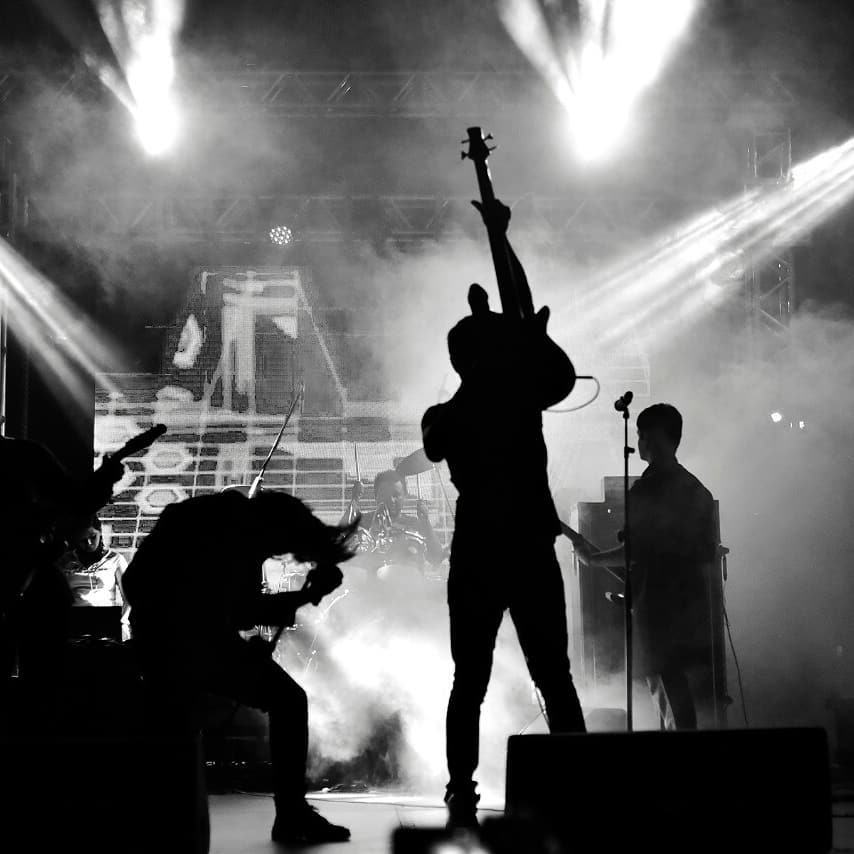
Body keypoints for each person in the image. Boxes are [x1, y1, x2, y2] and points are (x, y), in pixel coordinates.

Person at [421, 198, 586, 829]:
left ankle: (460, 790)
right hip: (522, 552)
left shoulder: (452, 415)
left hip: (480, 554)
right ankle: (574, 782)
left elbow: (521, 318)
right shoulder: (503, 401)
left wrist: (500, 243)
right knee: (551, 675)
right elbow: (524, 315)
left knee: (473, 680)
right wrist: (500, 240)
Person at [121, 488, 357, 845]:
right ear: (276, 527)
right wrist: (306, 595)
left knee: (176, 732)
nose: (275, 554)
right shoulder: (240, 535)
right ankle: (291, 813)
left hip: (167, 640)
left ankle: (162, 824)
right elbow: (240, 610)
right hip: (183, 643)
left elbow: (231, 607)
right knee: (288, 700)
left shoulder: (223, 521)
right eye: (282, 547)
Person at [570, 403, 718, 730]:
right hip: (690, 605)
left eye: (641, 434)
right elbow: (700, 550)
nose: (638, 441)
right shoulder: (696, 489)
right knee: (676, 689)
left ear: (656, 437)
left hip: (658, 607)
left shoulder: (649, 489)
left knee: (666, 689)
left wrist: (592, 559)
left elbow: (636, 550)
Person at [0, 435, 124, 727]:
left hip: (26, 576)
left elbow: (76, 503)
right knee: (42, 676)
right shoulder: (25, 453)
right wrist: (104, 481)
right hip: (29, 579)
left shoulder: (25, 454)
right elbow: (77, 502)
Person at [340, 469, 445, 577]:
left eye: (396, 495)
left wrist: (425, 522)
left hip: (409, 585)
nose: (391, 500)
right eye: (385, 495)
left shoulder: (415, 524)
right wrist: (354, 501)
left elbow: (436, 559)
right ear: (376, 496)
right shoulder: (364, 522)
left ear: (404, 496)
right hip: (373, 584)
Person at [58, 515, 130, 641]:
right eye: (83, 540)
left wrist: (122, 622)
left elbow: (130, 596)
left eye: (93, 537)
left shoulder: (116, 559)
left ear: (100, 532)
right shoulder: (64, 561)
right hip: (75, 623)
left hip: (106, 622)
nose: (89, 543)